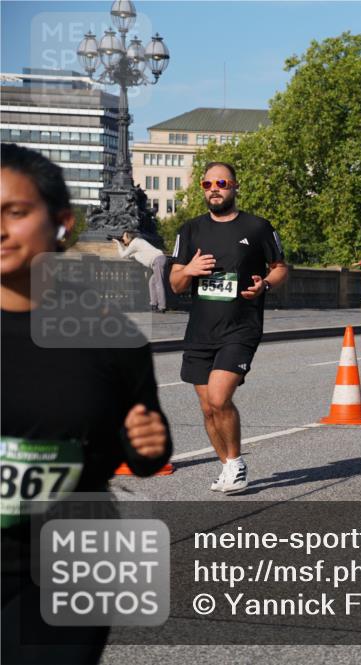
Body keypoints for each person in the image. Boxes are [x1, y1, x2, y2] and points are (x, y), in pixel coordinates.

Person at [1, 143, 172, 664]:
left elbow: (146, 457)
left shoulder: (110, 341)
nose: (1, 229)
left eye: (17, 212)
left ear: (62, 222)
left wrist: (148, 442)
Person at [169, 161, 288, 493]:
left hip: (241, 327)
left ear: (235, 186)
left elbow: (280, 268)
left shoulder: (258, 227)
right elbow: (175, 284)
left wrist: (264, 283)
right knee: (208, 408)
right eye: (207, 185)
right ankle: (227, 466)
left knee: (220, 398)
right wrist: (189, 269)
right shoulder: (189, 230)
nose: (214, 189)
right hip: (200, 331)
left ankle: (236, 464)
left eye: (221, 183)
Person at [112, 230, 168, 312]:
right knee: (152, 282)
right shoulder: (137, 244)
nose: (122, 238)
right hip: (158, 260)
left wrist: (118, 243)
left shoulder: (135, 243)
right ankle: (153, 304)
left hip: (157, 260)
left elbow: (123, 255)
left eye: (123, 237)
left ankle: (162, 307)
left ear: (129, 237)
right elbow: (128, 255)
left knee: (158, 283)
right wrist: (122, 243)